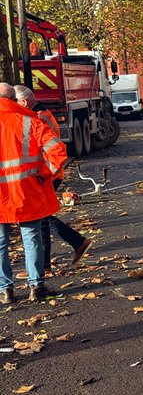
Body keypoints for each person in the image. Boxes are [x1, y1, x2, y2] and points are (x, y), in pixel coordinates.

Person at [0, 83, 69, 305]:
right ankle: (36, 287)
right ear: (14, 99)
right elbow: (58, 151)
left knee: (1, 243)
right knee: (32, 239)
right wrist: (45, 173)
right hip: (28, 191)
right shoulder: (30, 122)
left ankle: (6, 291)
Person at [13, 87, 91, 269]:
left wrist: (43, 173)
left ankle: (76, 243)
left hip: (46, 174)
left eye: (14, 102)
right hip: (48, 172)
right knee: (42, 218)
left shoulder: (36, 119)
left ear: (24, 102)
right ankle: (47, 261)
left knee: (40, 217)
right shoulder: (41, 114)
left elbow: (45, 149)